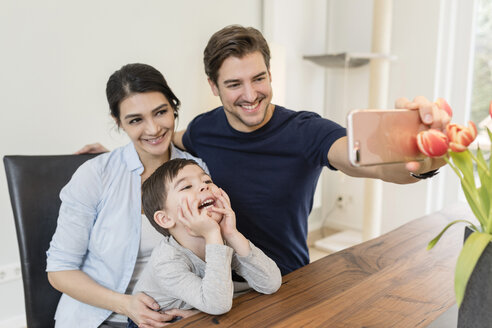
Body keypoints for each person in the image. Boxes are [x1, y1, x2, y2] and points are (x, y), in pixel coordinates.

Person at [79, 25, 450, 276]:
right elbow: (164, 139)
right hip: (219, 279)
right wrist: (116, 152)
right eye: (234, 84)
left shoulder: (307, 130)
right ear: (214, 86)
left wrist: (423, 160)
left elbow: (367, 165)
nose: (250, 94)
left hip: (287, 281)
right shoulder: (205, 129)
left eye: (258, 78)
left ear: (270, 74)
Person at [46, 63, 206, 328]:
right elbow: (60, 269)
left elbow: (208, 251)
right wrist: (126, 305)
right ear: (118, 121)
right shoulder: (96, 175)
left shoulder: (197, 172)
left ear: (173, 107)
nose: (153, 129)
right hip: (100, 317)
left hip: (175, 316)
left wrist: (198, 307)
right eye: (136, 120)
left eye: (161, 112)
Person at [127, 158, 281, 327]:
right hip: (161, 319)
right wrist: (212, 234)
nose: (204, 186)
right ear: (165, 218)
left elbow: (270, 283)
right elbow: (218, 305)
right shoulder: (166, 261)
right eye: (186, 186)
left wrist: (232, 233)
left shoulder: (222, 239)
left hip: (204, 308)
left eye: (207, 180)